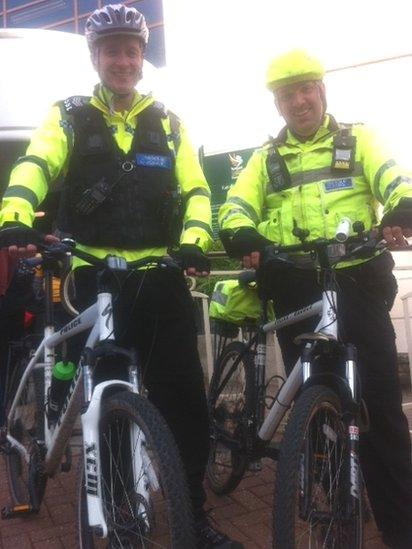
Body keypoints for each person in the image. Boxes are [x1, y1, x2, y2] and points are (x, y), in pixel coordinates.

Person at [0, 5, 243, 547]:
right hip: (91, 275)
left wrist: (195, 241)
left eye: (132, 50)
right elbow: (35, 164)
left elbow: (198, 190)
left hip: (158, 275)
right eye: (111, 50)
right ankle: (117, 513)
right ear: (96, 57)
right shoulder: (67, 115)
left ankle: (193, 513)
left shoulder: (170, 123)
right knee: (101, 394)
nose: (123, 60)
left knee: (183, 398)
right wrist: (14, 214)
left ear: (141, 59)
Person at [219, 48, 412, 549]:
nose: (299, 100)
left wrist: (401, 207)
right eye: (287, 95)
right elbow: (235, 205)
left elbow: (394, 178)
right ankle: (332, 506)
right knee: (312, 400)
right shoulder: (266, 158)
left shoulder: (358, 138)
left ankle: (400, 524)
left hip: (356, 282)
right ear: (277, 105)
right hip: (296, 287)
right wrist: (242, 234)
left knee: (382, 408)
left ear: (321, 92)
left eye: (306, 89)